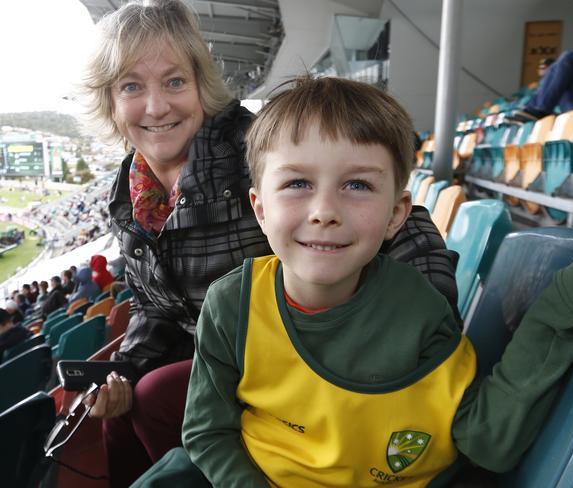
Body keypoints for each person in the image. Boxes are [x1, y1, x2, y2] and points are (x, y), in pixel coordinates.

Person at [130, 76, 573, 487]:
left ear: (397, 213)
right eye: (297, 183)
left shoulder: (417, 310)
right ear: (259, 209)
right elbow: (207, 431)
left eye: (357, 184)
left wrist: (562, 304)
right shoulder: (232, 304)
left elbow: (486, 439)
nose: (324, 211)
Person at [78, 2, 459, 487]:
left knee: (158, 395)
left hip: (300, 356)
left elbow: (402, 223)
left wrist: (415, 336)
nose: (156, 106)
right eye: (132, 86)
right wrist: (123, 372)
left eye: (175, 82)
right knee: (124, 407)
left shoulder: (254, 144)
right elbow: (155, 309)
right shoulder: (127, 195)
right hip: (222, 355)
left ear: (202, 86)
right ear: (109, 100)